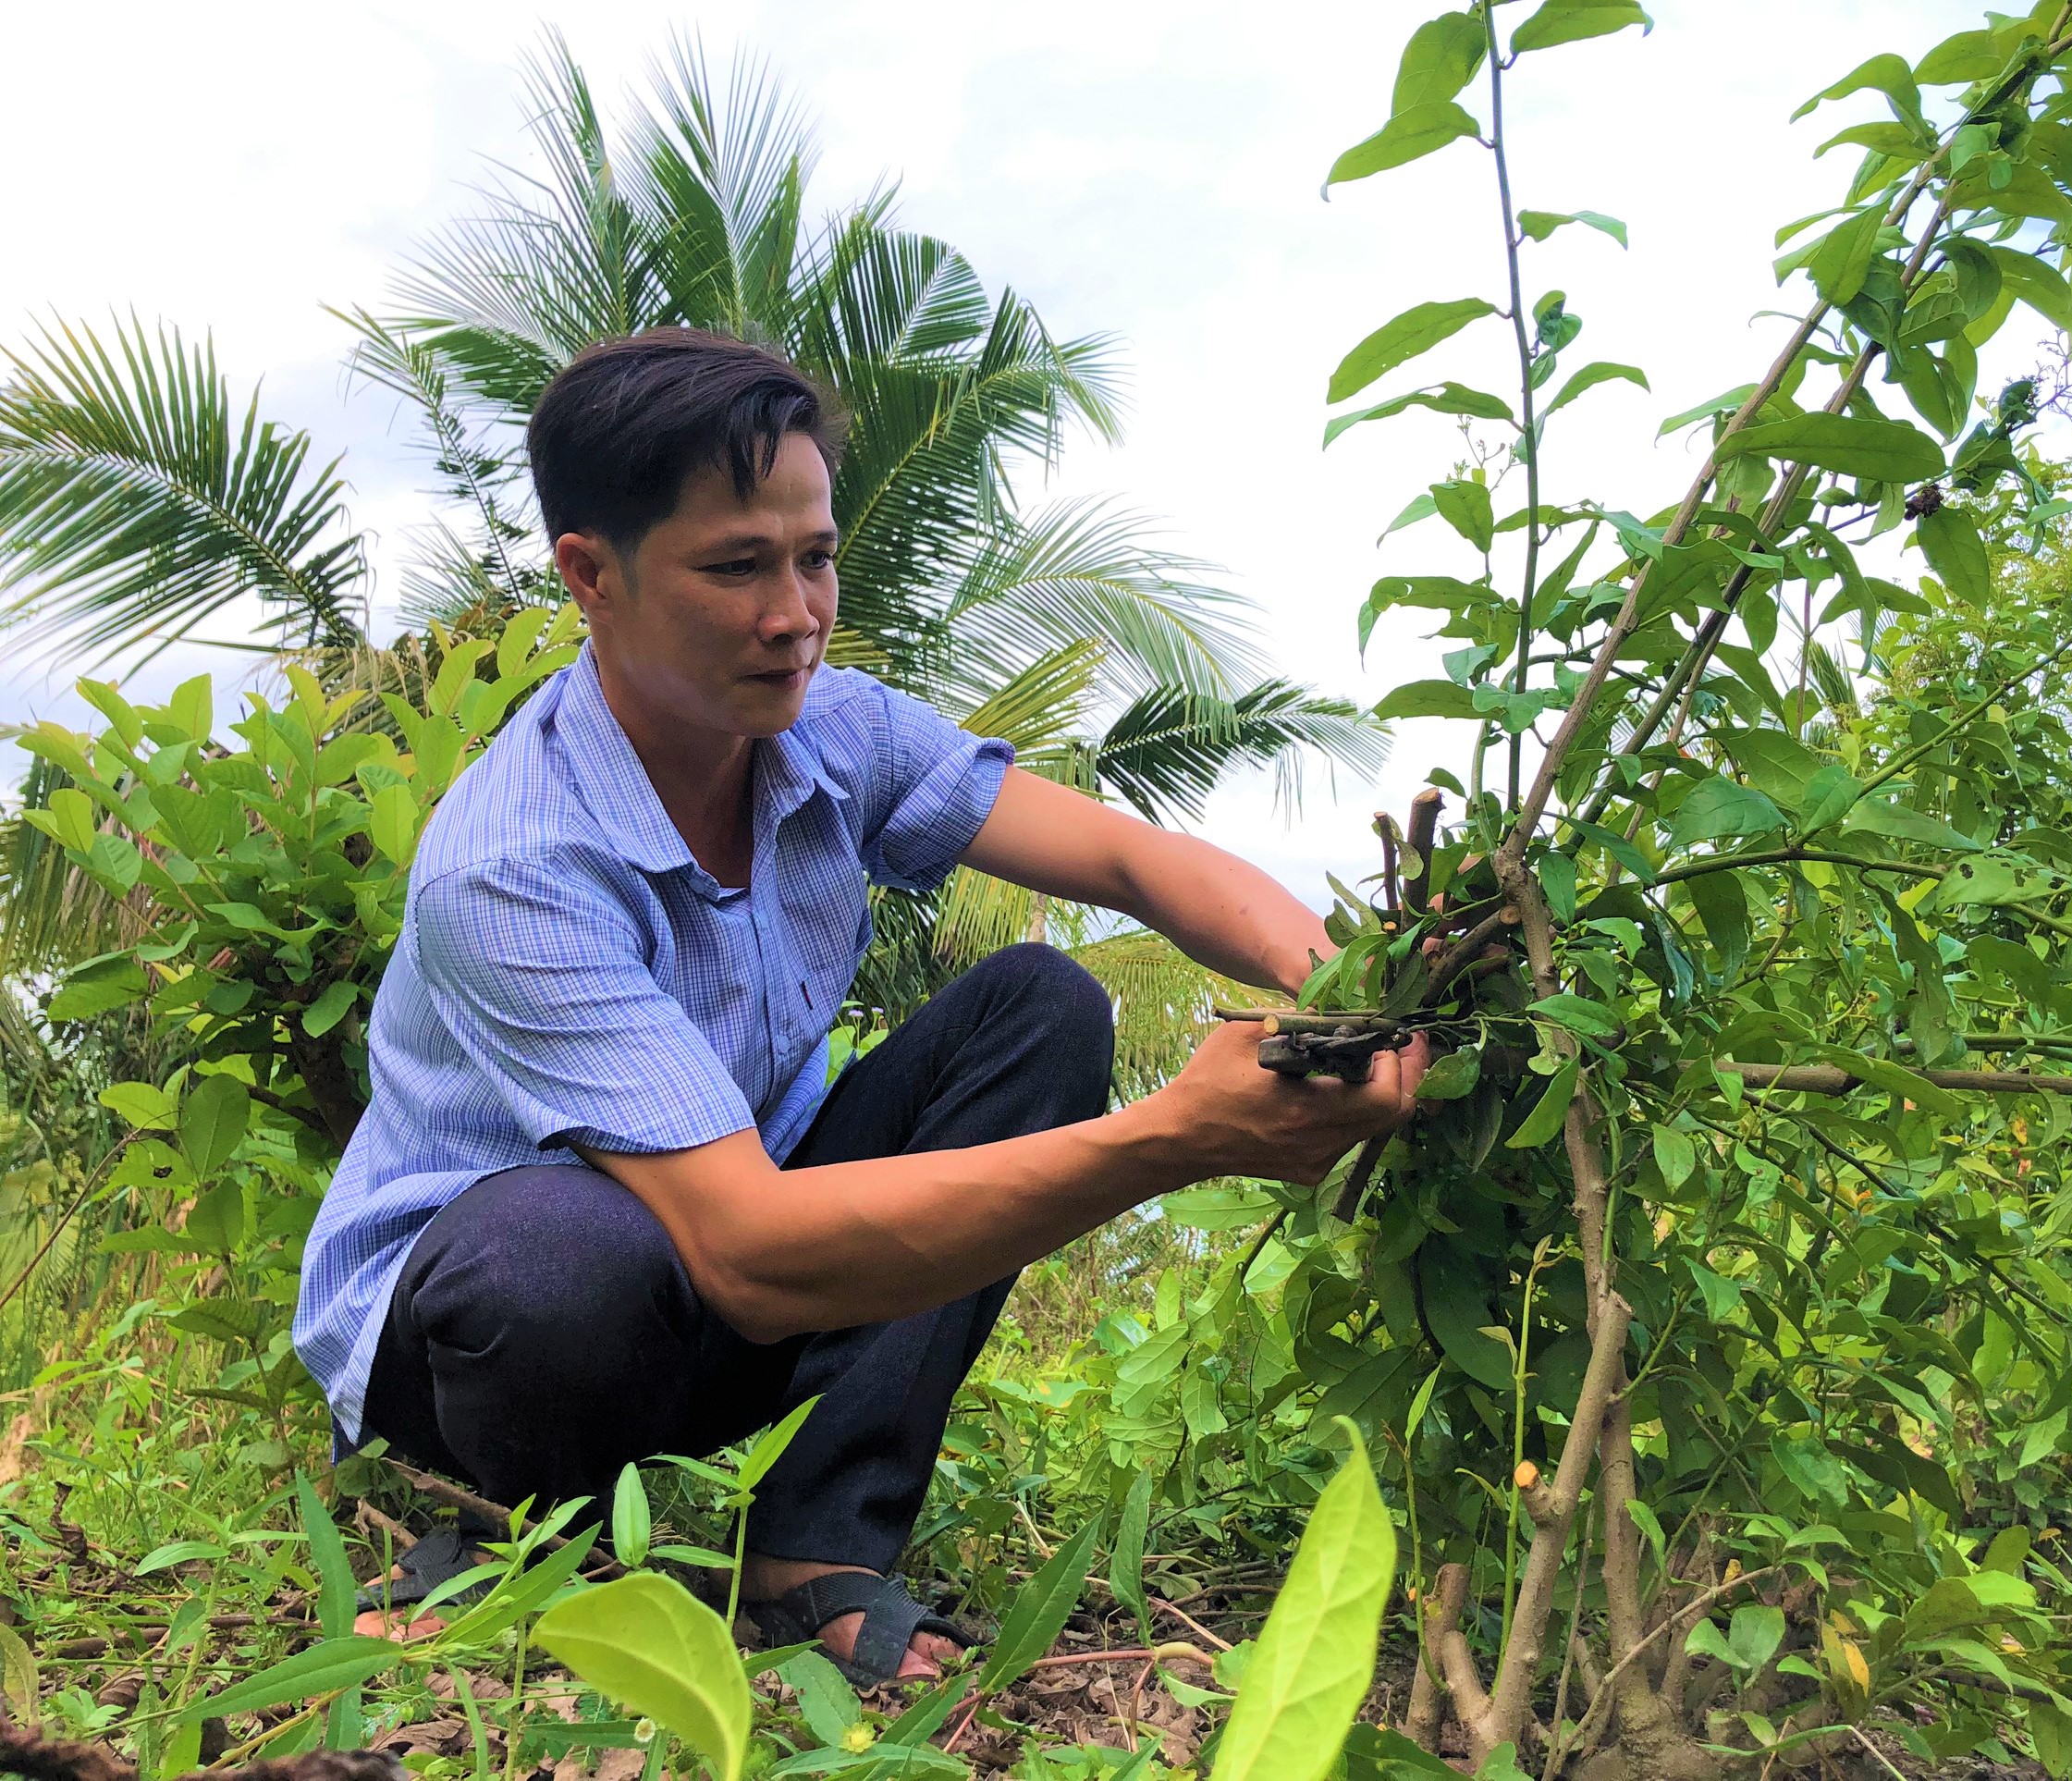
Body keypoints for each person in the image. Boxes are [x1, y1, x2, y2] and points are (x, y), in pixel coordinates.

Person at [293, 326, 1425, 1686]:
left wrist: (1356, 995)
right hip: (502, 1334)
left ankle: (816, 1544)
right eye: (736, 567)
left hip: (729, 1266)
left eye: (814, 556)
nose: (795, 613)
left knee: (1043, 1006)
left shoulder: (830, 727)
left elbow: (1134, 859)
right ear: (592, 573)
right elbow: (751, 1252)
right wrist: (1179, 1137)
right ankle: (515, 1530)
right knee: (565, 1249)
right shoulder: (518, 863)